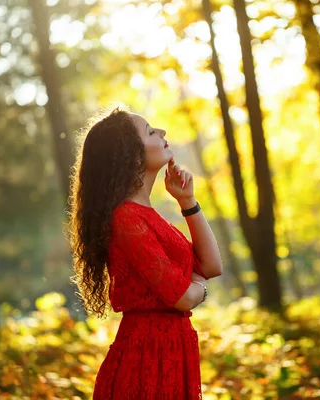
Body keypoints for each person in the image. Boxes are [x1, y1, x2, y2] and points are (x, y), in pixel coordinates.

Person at [68, 107, 223, 399]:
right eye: (151, 131)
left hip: (172, 347)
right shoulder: (126, 218)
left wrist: (187, 201)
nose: (162, 132)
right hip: (146, 355)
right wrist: (199, 286)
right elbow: (183, 297)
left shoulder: (147, 216)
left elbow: (212, 265)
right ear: (130, 154)